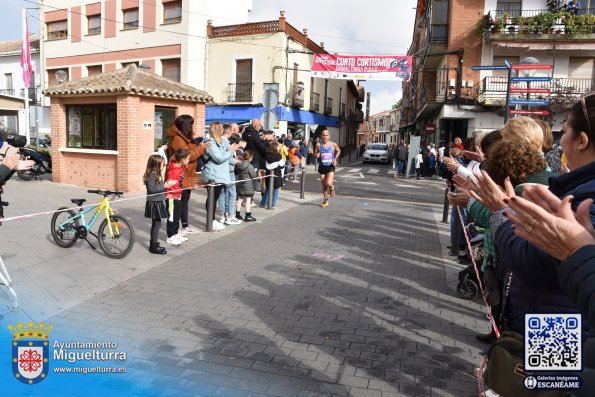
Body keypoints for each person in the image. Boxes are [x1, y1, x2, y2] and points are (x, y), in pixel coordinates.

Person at [503, 186, 595, 397]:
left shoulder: (586, 193)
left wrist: (499, 214)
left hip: (558, 319)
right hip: (553, 318)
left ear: (581, 148)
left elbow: (530, 261)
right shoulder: (575, 186)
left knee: (546, 388)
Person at [166, 114, 208, 235]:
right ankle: (175, 229)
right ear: (186, 126)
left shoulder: (184, 137)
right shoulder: (177, 139)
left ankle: (184, 225)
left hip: (188, 174)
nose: (192, 127)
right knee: (178, 204)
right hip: (180, 175)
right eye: (191, 125)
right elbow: (188, 156)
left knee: (184, 202)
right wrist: (201, 148)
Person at [202, 122, 244, 230]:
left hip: (220, 174)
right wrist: (231, 151)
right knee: (212, 198)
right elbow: (219, 158)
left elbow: (225, 158)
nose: (222, 131)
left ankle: (212, 220)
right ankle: (210, 221)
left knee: (215, 197)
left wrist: (235, 160)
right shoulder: (210, 143)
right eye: (220, 129)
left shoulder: (218, 142)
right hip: (213, 174)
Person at [143, 154, 176, 254]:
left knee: (157, 224)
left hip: (158, 202)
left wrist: (165, 183)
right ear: (156, 165)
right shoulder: (151, 176)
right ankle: (153, 246)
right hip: (154, 203)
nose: (164, 165)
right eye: (163, 164)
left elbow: (158, 187)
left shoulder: (157, 174)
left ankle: (154, 243)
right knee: (156, 224)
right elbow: (152, 189)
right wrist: (165, 186)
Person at [217, 124, 242, 226]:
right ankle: (230, 216)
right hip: (228, 171)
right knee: (232, 193)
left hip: (222, 171)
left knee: (222, 193)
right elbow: (226, 158)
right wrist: (235, 161)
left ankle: (223, 215)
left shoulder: (219, 141)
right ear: (229, 131)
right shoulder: (226, 142)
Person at [165, 149, 190, 246]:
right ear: (182, 160)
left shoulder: (180, 168)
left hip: (178, 196)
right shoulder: (173, 171)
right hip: (171, 197)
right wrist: (179, 192)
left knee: (177, 216)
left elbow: (182, 176)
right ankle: (170, 236)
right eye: (187, 159)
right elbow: (172, 186)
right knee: (172, 217)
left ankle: (176, 233)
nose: (188, 161)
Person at [315, 129, 340, 208]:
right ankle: (325, 201)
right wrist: (317, 154)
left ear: (329, 136)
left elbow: (338, 150)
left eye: (326, 135)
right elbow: (315, 153)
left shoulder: (333, 144)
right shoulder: (318, 145)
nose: (325, 137)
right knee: (324, 185)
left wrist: (335, 159)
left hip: (330, 166)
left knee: (328, 183)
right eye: (323, 135)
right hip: (322, 166)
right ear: (321, 136)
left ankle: (332, 188)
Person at [242, 119, 265, 191]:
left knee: (246, 178)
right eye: (259, 125)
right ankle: (250, 199)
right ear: (255, 125)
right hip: (254, 158)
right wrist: (263, 142)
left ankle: (244, 198)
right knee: (253, 178)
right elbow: (259, 146)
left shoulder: (244, 133)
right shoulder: (255, 134)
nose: (260, 127)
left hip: (246, 157)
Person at [260, 142, 284, 209]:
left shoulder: (267, 155)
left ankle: (263, 203)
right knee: (276, 189)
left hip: (268, 173)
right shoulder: (278, 156)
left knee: (268, 188)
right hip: (276, 174)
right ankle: (273, 204)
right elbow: (282, 166)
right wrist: (279, 152)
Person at [234, 149, 257, 222]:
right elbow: (253, 176)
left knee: (240, 199)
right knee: (248, 200)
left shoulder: (239, 165)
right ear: (250, 157)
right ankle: (248, 215)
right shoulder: (250, 166)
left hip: (240, 183)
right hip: (248, 184)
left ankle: (237, 214)